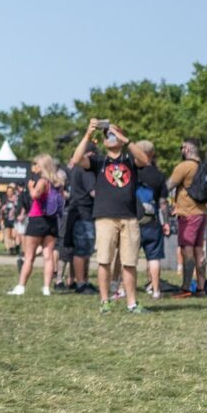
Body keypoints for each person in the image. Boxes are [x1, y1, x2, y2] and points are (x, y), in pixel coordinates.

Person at [71, 119, 151, 314]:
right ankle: (104, 301)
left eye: (114, 133)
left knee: (130, 262)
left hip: (129, 217)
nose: (110, 136)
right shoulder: (99, 161)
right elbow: (76, 158)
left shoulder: (130, 160)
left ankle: (132, 303)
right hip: (105, 216)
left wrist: (126, 139)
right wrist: (88, 135)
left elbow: (145, 160)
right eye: (107, 134)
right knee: (104, 260)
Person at [8, 154, 63, 296]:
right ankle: (46, 288)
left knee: (29, 256)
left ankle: (21, 286)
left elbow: (35, 196)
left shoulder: (42, 181)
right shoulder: (58, 182)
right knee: (48, 256)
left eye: (36, 164)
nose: (34, 167)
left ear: (42, 166)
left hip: (37, 219)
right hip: (52, 221)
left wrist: (31, 187)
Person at [167, 138, 207, 296]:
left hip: (188, 214)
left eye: (181, 148)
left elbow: (168, 185)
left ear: (186, 149)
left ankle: (185, 288)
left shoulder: (184, 166)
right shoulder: (203, 166)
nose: (181, 150)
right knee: (199, 251)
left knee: (187, 251)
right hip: (201, 213)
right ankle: (201, 288)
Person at [60, 142, 97, 294]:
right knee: (82, 250)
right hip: (83, 213)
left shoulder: (75, 168)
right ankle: (81, 283)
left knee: (82, 249)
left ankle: (80, 281)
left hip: (77, 212)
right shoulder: (85, 169)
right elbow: (93, 192)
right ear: (90, 155)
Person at [135, 141, 169, 299]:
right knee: (154, 257)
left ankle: (123, 288)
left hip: (133, 221)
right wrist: (166, 222)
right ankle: (155, 290)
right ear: (152, 154)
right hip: (152, 222)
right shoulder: (159, 175)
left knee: (129, 258)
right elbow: (163, 203)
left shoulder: (132, 172)